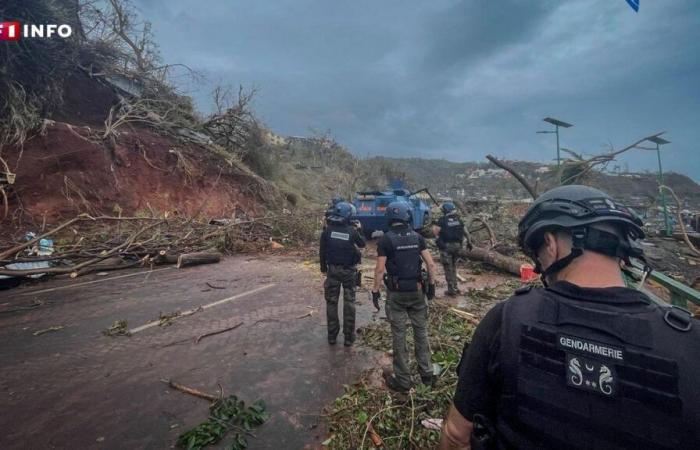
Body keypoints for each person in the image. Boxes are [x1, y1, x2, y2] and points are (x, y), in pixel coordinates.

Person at [438, 185, 700, 450]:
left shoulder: (507, 320)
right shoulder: (689, 341)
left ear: (550, 245)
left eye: (537, 254)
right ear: (622, 250)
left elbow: (456, 436)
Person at [371, 201, 438, 391]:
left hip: (397, 294)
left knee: (399, 336)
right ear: (407, 216)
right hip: (417, 292)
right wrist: (431, 286)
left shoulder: (386, 240)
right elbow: (431, 265)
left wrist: (375, 291)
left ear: (390, 218)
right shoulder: (417, 238)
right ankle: (426, 375)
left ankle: (403, 380)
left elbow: (379, 269)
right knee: (421, 333)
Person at [320, 201, 365, 346]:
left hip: (332, 270)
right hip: (348, 272)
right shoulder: (352, 231)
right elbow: (363, 244)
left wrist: (323, 268)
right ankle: (348, 337)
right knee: (349, 303)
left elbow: (322, 251)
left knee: (331, 302)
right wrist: (360, 230)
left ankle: (332, 336)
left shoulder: (327, 231)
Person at [433, 201, 472, 297]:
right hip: (458, 246)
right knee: (454, 266)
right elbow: (466, 233)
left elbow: (435, 232)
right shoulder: (459, 220)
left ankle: (451, 290)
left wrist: (439, 242)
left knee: (448, 268)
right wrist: (469, 243)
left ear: (445, 210)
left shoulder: (442, 220)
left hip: (446, 247)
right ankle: (455, 287)